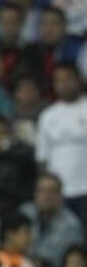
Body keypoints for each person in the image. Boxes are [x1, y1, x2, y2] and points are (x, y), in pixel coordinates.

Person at [36, 63, 87, 234]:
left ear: (79, 80)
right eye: (59, 80)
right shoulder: (48, 116)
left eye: (68, 79)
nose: (64, 84)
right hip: (58, 194)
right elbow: (42, 159)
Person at [21, 173, 85, 267]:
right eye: (42, 191)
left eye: (52, 192)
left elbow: (67, 263)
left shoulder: (71, 226)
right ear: (35, 194)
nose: (46, 197)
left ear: (61, 196)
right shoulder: (24, 213)